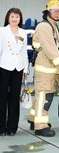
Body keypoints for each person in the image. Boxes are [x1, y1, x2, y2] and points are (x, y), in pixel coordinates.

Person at [28, 0, 59, 137]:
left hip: (48, 67)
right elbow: (50, 49)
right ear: (47, 12)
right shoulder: (45, 26)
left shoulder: (53, 26)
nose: (57, 13)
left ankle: (33, 120)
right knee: (45, 97)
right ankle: (40, 127)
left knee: (40, 96)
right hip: (45, 68)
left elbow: (56, 44)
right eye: (54, 11)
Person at [0, 8, 28, 136]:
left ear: (20, 19)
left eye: (17, 16)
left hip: (18, 68)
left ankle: (12, 127)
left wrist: (26, 68)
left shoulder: (23, 32)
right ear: (7, 18)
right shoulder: (2, 31)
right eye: (12, 16)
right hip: (4, 66)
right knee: (2, 98)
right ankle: (1, 127)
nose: (14, 19)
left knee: (14, 98)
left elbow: (23, 52)